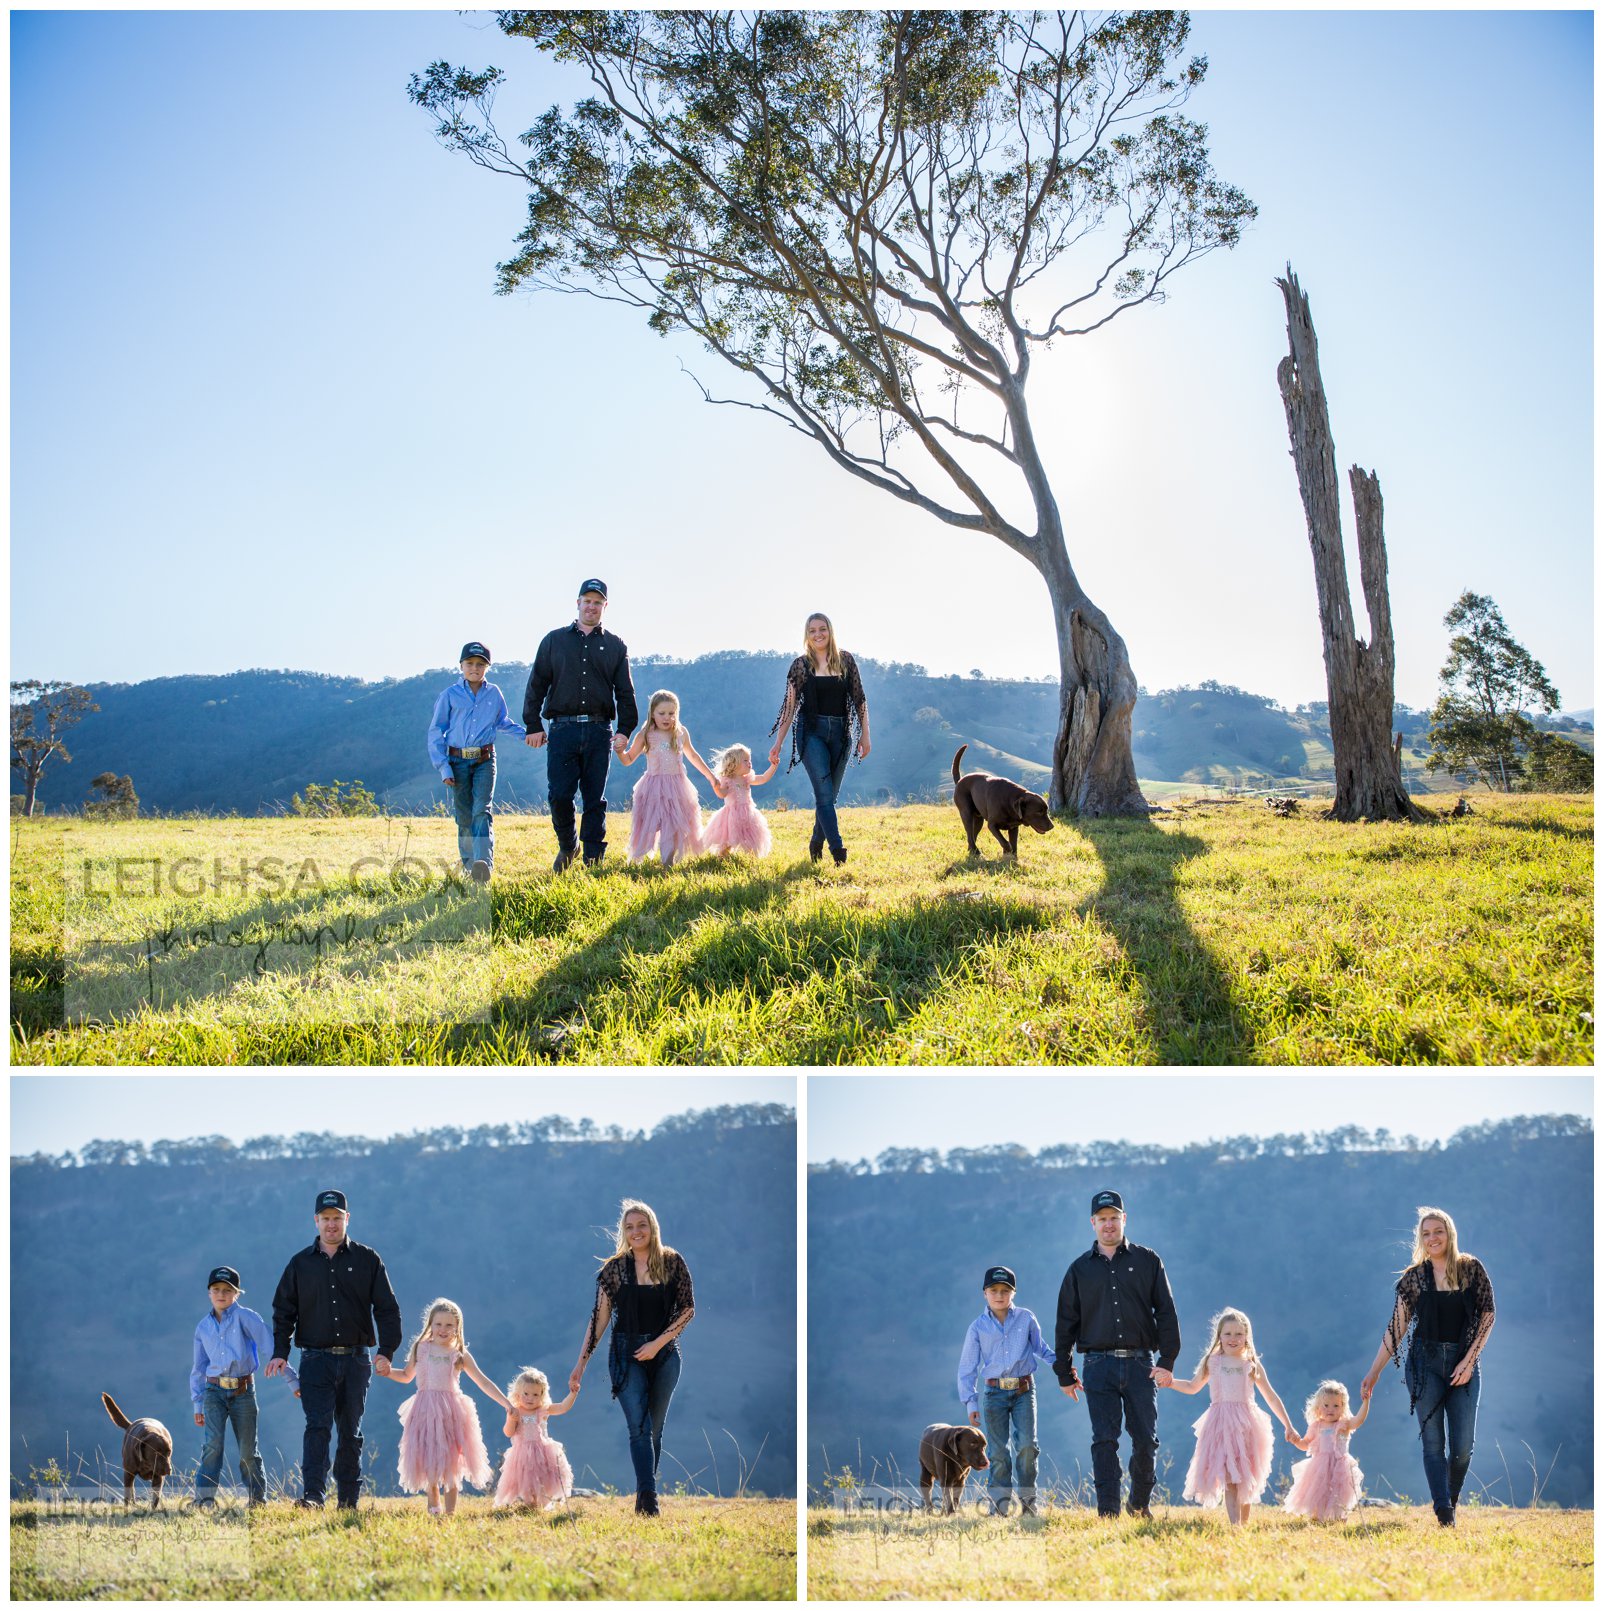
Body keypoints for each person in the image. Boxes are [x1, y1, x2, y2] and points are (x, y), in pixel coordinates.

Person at [1358, 1205, 1495, 1527]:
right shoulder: (1414, 1278)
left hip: (1464, 1364)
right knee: (1434, 1444)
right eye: (1426, 1233)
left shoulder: (1471, 1269)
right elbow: (1396, 1328)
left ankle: (1450, 1499)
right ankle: (1444, 1514)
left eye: (1438, 1231)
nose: (1433, 1238)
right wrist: (1373, 1372)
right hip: (1424, 1363)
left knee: (1462, 1449)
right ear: (1420, 1239)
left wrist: (1469, 1361)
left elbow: (1488, 1315)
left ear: (1449, 1234)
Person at [266, 1189, 402, 1511]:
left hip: (357, 1360)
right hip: (314, 1360)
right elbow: (283, 1312)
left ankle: (348, 1501)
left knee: (350, 1432)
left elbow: (387, 1308)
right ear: (316, 1221)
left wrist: (387, 1350)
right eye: (325, 1219)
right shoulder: (299, 1264)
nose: (331, 1225)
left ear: (347, 1219)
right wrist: (280, 1352)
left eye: (337, 1218)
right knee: (317, 1428)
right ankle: (313, 1496)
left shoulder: (368, 1259)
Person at [1053, 1189, 1180, 1520]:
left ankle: (1139, 1506)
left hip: (1141, 1364)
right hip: (1097, 1365)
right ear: (1092, 1223)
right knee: (1104, 1440)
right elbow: (1066, 1323)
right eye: (1102, 1219)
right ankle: (1108, 1512)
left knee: (1146, 1440)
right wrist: (1065, 1374)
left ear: (1124, 1219)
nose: (1108, 1225)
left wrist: (1167, 1362)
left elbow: (1166, 1313)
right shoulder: (1079, 1270)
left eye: (1114, 1218)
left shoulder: (1148, 1261)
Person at [569, 1199, 696, 1517]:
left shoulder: (672, 1262)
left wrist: (658, 1344)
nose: (636, 1231)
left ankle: (643, 1493)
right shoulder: (614, 1269)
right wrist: (580, 1364)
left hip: (665, 1354)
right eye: (629, 1227)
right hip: (625, 1354)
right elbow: (598, 1320)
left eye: (641, 1225)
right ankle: (649, 1499)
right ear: (623, 1232)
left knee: (654, 1428)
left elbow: (687, 1310)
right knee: (638, 1427)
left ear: (652, 1227)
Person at [523, 579, 639, 871]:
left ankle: (592, 858)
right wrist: (533, 724)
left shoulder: (615, 645)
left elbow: (625, 692)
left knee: (593, 798)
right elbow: (537, 684)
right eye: (587, 600)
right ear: (577, 603)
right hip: (563, 730)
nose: (591, 606)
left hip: (600, 731)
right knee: (560, 795)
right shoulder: (554, 641)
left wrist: (625, 729)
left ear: (605, 606)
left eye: (597, 602)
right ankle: (568, 846)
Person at [1163, 1306, 1296, 1525]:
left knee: (1244, 1476)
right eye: (1227, 1333)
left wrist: (1288, 1425)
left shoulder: (1250, 1364)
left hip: (1247, 1424)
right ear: (1219, 1336)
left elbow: (1271, 1397)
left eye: (1238, 1334)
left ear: (1246, 1336)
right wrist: (1170, 1382)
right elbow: (1192, 1386)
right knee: (1229, 1478)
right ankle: (1235, 1527)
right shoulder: (1213, 1362)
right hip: (1220, 1424)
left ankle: (1242, 1526)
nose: (1233, 1338)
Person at [377, 1298, 508, 1517]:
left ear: (458, 1328)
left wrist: (507, 1404)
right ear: (430, 1325)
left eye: (449, 1325)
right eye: (438, 1324)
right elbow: (407, 1376)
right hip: (425, 1410)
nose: (443, 1329)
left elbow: (483, 1382)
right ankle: (434, 1508)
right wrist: (388, 1371)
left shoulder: (459, 1355)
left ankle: (450, 1514)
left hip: (451, 1413)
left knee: (451, 1462)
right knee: (429, 1460)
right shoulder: (422, 1349)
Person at [189, 1265, 299, 1509]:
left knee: (248, 1451)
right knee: (212, 1448)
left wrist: (292, 1380)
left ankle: (257, 1501)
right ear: (209, 1292)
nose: (221, 1295)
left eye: (228, 1290)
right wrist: (197, 1402)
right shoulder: (202, 1328)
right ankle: (203, 1502)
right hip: (213, 1392)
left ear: (236, 1294)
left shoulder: (246, 1317)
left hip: (243, 1392)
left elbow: (271, 1348)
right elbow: (199, 1367)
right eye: (216, 1289)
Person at [767, 612, 870, 864]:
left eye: (822, 629)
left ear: (830, 631)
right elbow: (789, 708)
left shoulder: (846, 660)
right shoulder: (800, 666)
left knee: (830, 797)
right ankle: (838, 852)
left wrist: (865, 735)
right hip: (811, 733)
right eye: (812, 630)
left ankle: (815, 842)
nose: (818, 634)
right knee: (824, 796)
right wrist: (778, 742)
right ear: (806, 635)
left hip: (841, 733)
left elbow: (860, 700)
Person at [956, 1264, 1055, 1517]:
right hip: (993, 1394)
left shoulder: (1026, 1318)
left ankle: (1029, 1506)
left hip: (1024, 1389)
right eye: (993, 1290)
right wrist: (971, 1403)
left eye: (1005, 1290)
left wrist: (1063, 1367)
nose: (999, 1295)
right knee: (998, 1452)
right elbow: (968, 1367)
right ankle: (999, 1508)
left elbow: (1041, 1348)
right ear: (985, 1293)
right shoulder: (977, 1327)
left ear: (1013, 1293)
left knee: (1027, 1447)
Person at [426, 640, 527, 883]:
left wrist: (529, 735)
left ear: (487, 667)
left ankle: (484, 864)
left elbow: (502, 722)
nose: (474, 668)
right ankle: (470, 864)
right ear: (461, 665)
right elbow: (436, 731)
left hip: (484, 759)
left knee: (482, 810)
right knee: (464, 816)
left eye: (480, 664)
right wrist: (443, 766)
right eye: (470, 663)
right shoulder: (449, 695)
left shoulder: (494, 693)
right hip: (456, 760)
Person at [618, 690, 719, 866]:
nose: (667, 718)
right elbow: (627, 760)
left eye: (671, 713)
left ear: (677, 713)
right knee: (650, 824)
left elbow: (693, 756)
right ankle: (642, 857)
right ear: (652, 714)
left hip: (677, 786)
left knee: (672, 826)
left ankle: (668, 862)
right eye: (662, 713)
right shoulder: (646, 734)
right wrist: (620, 751)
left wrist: (710, 776)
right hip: (653, 787)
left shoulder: (681, 732)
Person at [1283, 1379, 1369, 1521]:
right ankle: (1317, 1518)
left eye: (1336, 1405)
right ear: (1318, 1407)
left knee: (1339, 1494)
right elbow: (1306, 1444)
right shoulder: (1316, 1426)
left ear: (1343, 1407)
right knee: (1318, 1492)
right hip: (1320, 1466)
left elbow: (1359, 1420)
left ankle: (1339, 1518)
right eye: (1326, 1405)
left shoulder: (1344, 1425)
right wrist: (1296, 1441)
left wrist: (1366, 1402)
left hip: (1339, 1465)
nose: (1331, 1409)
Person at [493, 1367, 578, 1511]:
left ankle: (542, 1506)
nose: (530, 1398)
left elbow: (563, 1407)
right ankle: (529, 1506)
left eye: (535, 1394)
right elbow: (508, 1432)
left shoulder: (543, 1410)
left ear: (542, 1395)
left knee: (544, 1481)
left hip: (543, 1453)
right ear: (518, 1393)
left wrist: (573, 1394)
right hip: (522, 1454)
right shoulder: (516, 1411)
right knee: (527, 1482)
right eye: (526, 1393)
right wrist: (510, 1418)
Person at [702, 744, 778, 858]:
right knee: (728, 839)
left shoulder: (747, 778)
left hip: (748, 813)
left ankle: (751, 858)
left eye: (750, 760)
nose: (749, 763)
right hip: (732, 815)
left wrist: (773, 766)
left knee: (752, 838)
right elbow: (722, 794)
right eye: (745, 760)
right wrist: (716, 787)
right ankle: (722, 857)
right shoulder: (727, 780)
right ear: (734, 763)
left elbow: (763, 778)